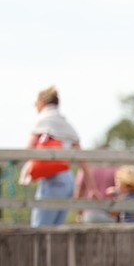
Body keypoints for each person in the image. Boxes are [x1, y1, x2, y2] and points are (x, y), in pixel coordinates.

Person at [25, 87, 91, 227]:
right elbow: (82, 159)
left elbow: (29, 149)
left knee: (39, 229)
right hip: (67, 179)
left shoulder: (43, 120)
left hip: (52, 179)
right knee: (56, 230)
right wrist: (92, 187)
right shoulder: (66, 124)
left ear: (42, 102)